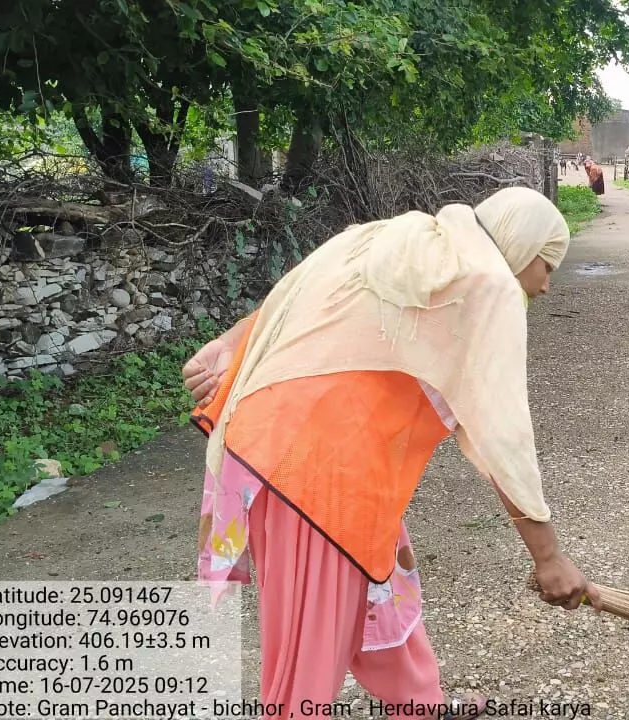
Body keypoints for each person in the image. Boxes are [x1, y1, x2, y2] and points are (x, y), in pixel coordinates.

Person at [181, 187, 600, 719]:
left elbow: (301, 290)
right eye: (548, 266)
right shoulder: (487, 281)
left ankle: (419, 706)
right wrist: (548, 557)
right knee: (308, 647)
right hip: (312, 476)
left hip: (318, 456)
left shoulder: (401, 238)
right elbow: (502, 434)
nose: (545, 285)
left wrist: (231, 341)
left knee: (385, 588)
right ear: (523, 245)